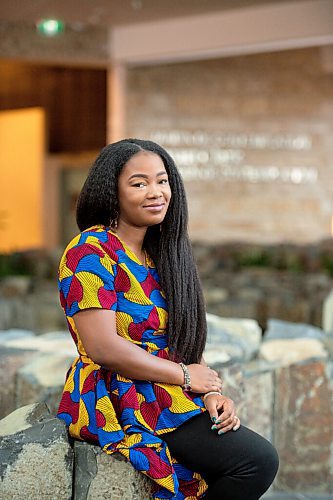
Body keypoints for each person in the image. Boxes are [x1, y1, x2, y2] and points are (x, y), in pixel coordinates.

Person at [57, 138, 279, 500]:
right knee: (256, 461)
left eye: (162, 181)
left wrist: (209, 393)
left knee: (249, 459)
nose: (155, 192)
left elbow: (179, 336)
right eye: (139, 183)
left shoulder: (160, 253)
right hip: (119, 392)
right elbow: (102, 347)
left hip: (168, 389)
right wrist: (188, 377)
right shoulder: (90, 250)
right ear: (111, 191)